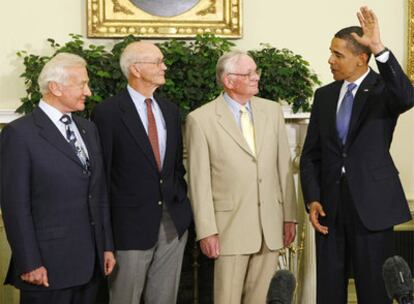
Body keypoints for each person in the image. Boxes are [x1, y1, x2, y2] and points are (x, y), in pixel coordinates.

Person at [300, 6, 414, 304]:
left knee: (374, 289)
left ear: (361, 58)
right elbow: (311, 154)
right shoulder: (324, 95)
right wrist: (312, 197)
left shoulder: (382, 91)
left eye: (338, 55)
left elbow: (407, 96)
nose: (330, 60)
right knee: (329, 290)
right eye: (331, 52)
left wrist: (379, 47)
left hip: (372, 206)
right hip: (329, 209)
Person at [0, 52, 116, 304]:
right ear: (55, 87)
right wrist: (29, 262)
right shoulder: (20, 134)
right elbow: (15, 207)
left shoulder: (89, 129)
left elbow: (99, 192)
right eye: (82, 84)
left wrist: (106, 245)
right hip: (47, 267)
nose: (88, 91)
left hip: (92, 266)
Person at [185, 50, 297, 304]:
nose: (256, 77)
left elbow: (284, 168)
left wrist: (289, 216)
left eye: (256, 71)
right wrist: (206, 231)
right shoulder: (200, 120)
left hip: (270, 225)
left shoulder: (272, 111)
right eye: (249, 73)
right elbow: (198, 182)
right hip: (228, 230)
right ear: (229, 80)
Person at [91, 41, 192, 304]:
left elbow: (175, 167)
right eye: (157, 62)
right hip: (129, 229)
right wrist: (107, 235)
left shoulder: (170, 110)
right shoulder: (108, 113)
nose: (164, 66)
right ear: (136, 69)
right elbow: (101, 176)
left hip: (173, 225)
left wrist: (182, 205)